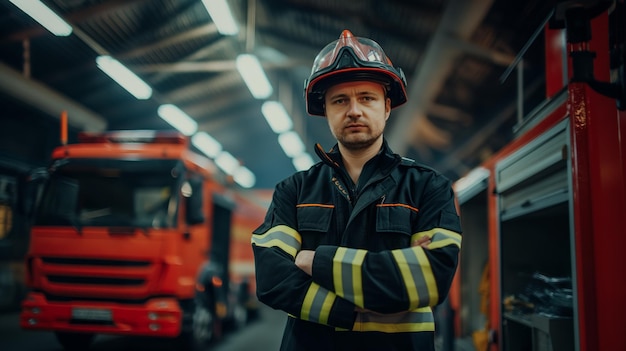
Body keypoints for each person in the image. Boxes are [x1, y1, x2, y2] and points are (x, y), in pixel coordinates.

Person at [251, 29, 462, 351]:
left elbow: (431, 278)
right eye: (340, 100)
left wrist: (314, 261)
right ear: (326, 111)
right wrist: (353, 312)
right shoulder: (293, 190)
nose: (354, 110)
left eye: (367, 97)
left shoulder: (428, 187)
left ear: (387, 107)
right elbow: (272, 281)